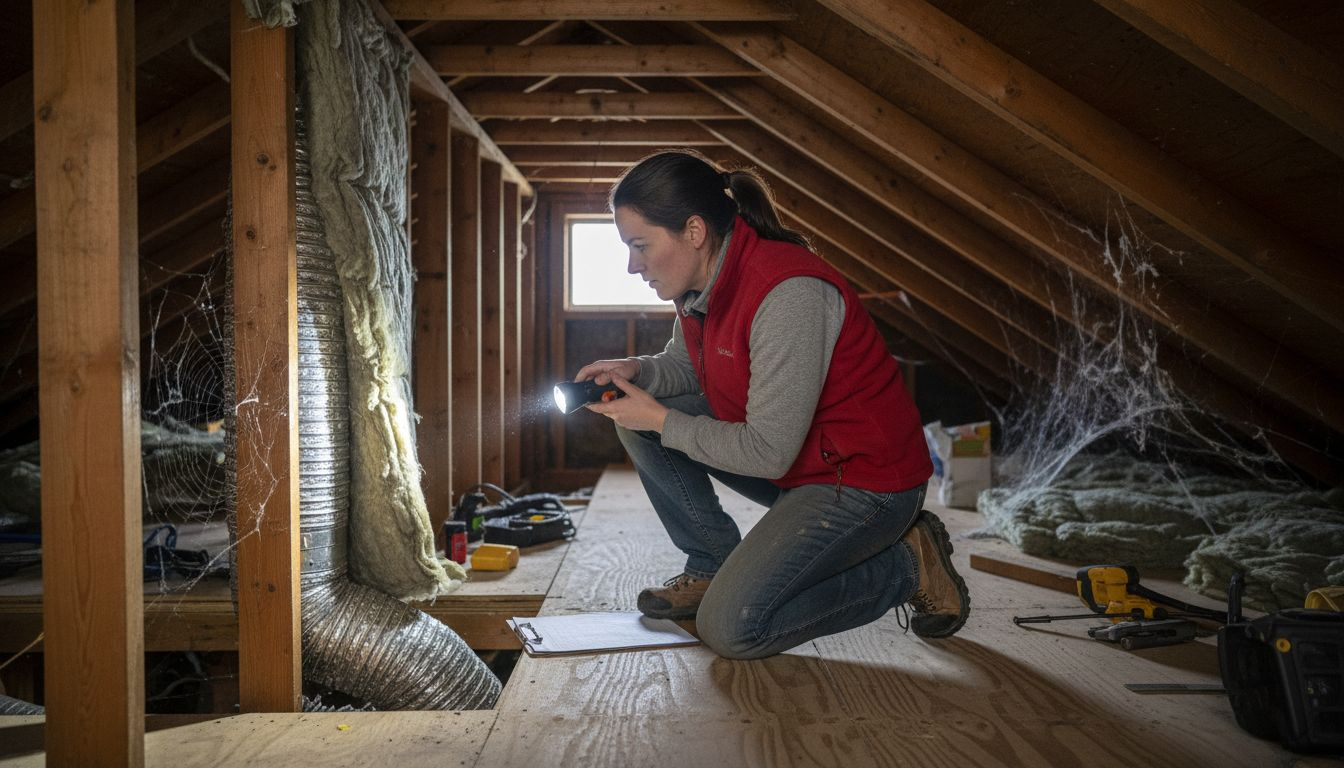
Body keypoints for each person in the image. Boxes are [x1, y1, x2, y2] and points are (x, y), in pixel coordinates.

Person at [575, 150, 969, 660]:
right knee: (636, 413)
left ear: (693, 231)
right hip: (805, 464)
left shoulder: (788, 292)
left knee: (734, 628)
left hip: (866, 482)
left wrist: (659, 418)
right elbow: (689, 369)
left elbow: (767, 453)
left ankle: (906, 564)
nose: (633, 265)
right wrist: (637, 371)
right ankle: (711, 563)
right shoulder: (703, 281)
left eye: (640, 245)